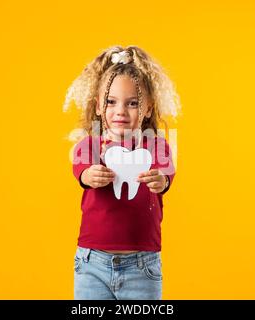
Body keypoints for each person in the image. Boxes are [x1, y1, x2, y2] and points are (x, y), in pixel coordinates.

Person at [63, 45, 180, 299]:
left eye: (133, 103)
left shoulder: (157, 145)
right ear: (97, 106)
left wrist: (161, 180)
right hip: (92, 264)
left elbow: (167, 175)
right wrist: (89, 175)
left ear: (148, 108)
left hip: (143, 265)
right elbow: (80, 171)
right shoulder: (90, 144)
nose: (120, 111)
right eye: (111, 102)